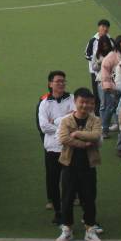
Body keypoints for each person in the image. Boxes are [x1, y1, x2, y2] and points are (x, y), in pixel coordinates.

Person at [55, 87, 102, 241]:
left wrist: (76, 134)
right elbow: (63, 138)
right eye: (82, 102)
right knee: (67, 199)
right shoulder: (66, 120)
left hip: (88, 166)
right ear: (75, 102)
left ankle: (90, 229)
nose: (85, 105)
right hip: (69, 165)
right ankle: (67, 229)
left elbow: (96, 135)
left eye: (88, 103)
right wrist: (83, 144)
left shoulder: (95, 120)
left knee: (89, 198)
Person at [38, 70, 75, 225]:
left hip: (69, 147)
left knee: (70, 180)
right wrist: (65, 125)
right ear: (50, 84)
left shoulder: (72, 98)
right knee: (53, 180)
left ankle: (67, 208)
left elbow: (76, 119)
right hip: (52, 148)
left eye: (63, 81)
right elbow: (44, 126)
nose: (61, 84)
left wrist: (56, 121)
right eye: (58, 81)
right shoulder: (44, 103)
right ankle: (58, 211)